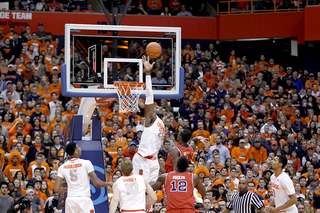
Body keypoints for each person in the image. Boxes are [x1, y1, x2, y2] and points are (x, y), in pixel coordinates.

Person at [132, 56, 165, 183]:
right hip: (142, 159)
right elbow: (149, 96)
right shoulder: (152, 118)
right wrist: (148, 74)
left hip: (153, 160)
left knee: (151, 196)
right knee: (141, 191)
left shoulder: (162, 124)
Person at [54, 142, 109, 213]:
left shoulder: (62, 167)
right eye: (78, 147)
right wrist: (109, 183)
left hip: (70, 200)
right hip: (84, 200)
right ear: (75, 152)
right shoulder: (86, 163)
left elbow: (56, 189)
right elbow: (97, 183)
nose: (80, 149)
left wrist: (71, 189)